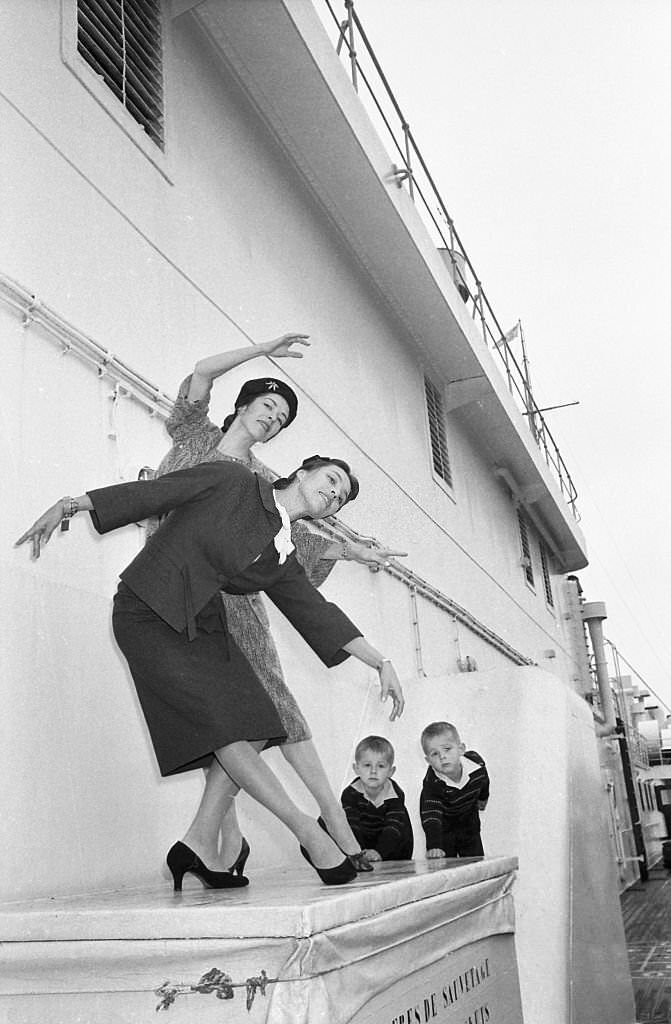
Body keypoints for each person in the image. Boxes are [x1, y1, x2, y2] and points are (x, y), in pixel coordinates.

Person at [16, 456, 405, 889]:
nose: (335, 493)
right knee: (229, 733)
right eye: (332, 480)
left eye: (341, 498)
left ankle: (198, 843)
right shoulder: (235, 480)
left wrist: (381, 661)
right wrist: (72, 505)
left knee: (260, 725)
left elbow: (317, 614)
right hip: (149, 610)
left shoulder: (282, 553)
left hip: (204, 624)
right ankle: (309, 833)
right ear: (301, 473)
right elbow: (158, 493)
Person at [150, 334, 405, 877]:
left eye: (283, 417)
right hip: (177, 596)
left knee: (270, 713)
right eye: (268, 406)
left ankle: (281, 833)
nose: (273, 418)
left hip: (233, 601)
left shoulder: (261, 480)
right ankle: (239, 840)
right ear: (241, 406)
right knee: (235, 722)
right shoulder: (194, 435)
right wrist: (261, 348)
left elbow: (292, 541)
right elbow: (201, 368)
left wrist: (353, 550)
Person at [419, 722, 489, 859]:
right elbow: (431, 816)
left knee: (474, 861)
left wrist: (483, 798)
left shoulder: (476, 765)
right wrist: (434, 846)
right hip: (444, 827)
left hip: (469, 822)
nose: (442, 757)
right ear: (428, 760)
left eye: (447, 749)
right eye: (434, 754)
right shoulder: (432, 784)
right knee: (445, 866)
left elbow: (484, 780)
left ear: (461, 749)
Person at [340, 735, 413, 862]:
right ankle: (354, 859)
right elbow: (353, 826)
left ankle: (399, 863)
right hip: (360, 843)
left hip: (389, 846)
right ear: (356, 769)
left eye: (381, 766)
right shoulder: (350, 794)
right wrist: (359, 853)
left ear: (391, 771)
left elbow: (393, 828)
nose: (373, 771)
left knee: (402, 817)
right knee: (335, 819)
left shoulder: (395, 796)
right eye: (367, 765)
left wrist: (380, 852)